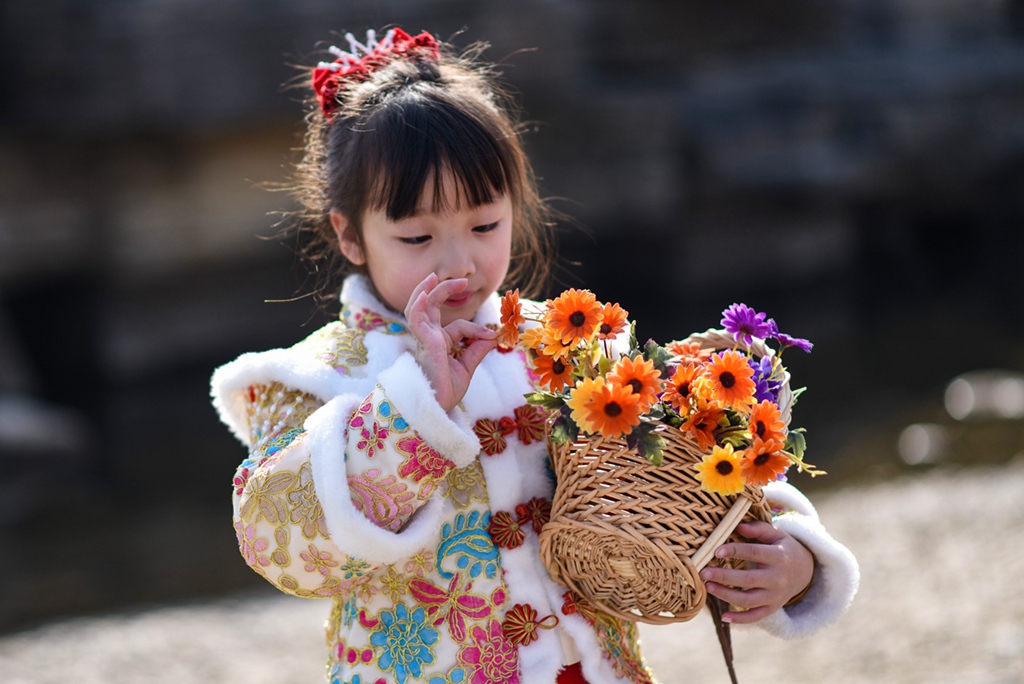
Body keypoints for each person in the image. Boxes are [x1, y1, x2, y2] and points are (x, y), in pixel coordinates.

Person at [210, 27, 859, 684]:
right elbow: (282, 546)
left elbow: (686, 472)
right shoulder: (316, 379)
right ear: (349, 235)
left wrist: (791, 562)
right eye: (416, 236)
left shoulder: (568, 343)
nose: (458, 263)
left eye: (485, 225)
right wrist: (415, 412)